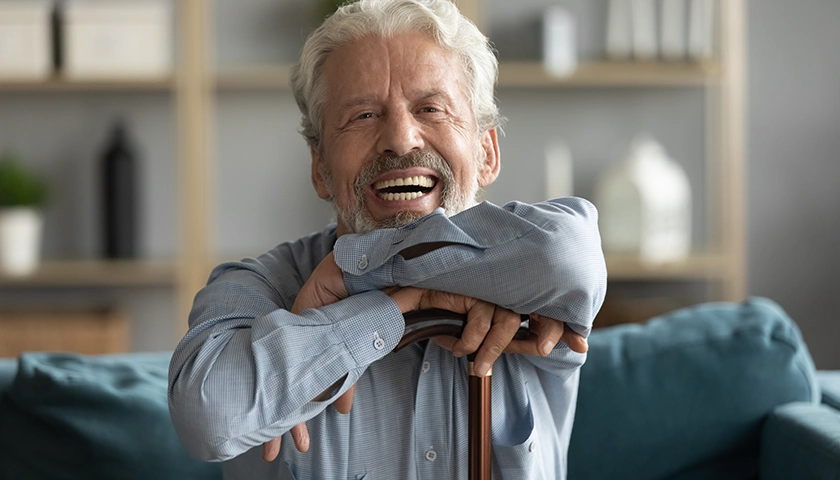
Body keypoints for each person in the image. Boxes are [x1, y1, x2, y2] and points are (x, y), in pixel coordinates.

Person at [168, 0, 607, 478]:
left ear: (486, 152)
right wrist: (400, 305)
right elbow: (208, 416)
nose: (400, 138)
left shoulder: (535, 273)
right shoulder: (258, 287)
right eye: (363, 116)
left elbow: (569, 258)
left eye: (431, 108)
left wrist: (357, 273)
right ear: (320, 168)